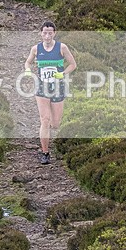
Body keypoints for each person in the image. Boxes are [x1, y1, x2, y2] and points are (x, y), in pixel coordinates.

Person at [24, 21, 76, 164]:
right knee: (45, 120)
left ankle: (51, 136)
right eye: (45, 33)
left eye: (50, 33)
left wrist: (63, 73)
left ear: (54, 33)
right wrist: (27, 70)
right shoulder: (36, 49)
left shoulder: (62, 47)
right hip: (42, 87)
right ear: (41, 33)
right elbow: (28, 62)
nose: (47, 36)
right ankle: (45, 152)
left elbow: (73, 64)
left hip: (58, 87)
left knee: (55, 123)